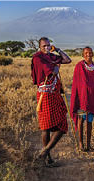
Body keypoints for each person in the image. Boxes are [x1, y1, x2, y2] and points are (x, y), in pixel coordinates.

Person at [31, 37, 71, 167]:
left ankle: (44, 152)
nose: (47, 48)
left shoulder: (52, 56)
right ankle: (47, 158)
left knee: (62, 124)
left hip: (54, 94)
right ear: (39, 47)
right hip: (44, 95)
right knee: (46, 127)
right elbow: (52, 72)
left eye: (49, 45)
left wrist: (58, 50)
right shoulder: (38, 58)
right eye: (44, 46)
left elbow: (67, 60)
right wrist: (55, 69)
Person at [70, 47, 94, 152]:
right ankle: (80, 143)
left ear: (93, 54)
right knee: (81, 120)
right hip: (82, 98)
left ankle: (88, 144)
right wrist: (85, 91)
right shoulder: (79, 66)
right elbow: (78, 83)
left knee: (89, 121)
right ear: (83, 55)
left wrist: (92, 89)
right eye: (86, 53)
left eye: (90, 52)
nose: (88, 54)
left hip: (92, 98)